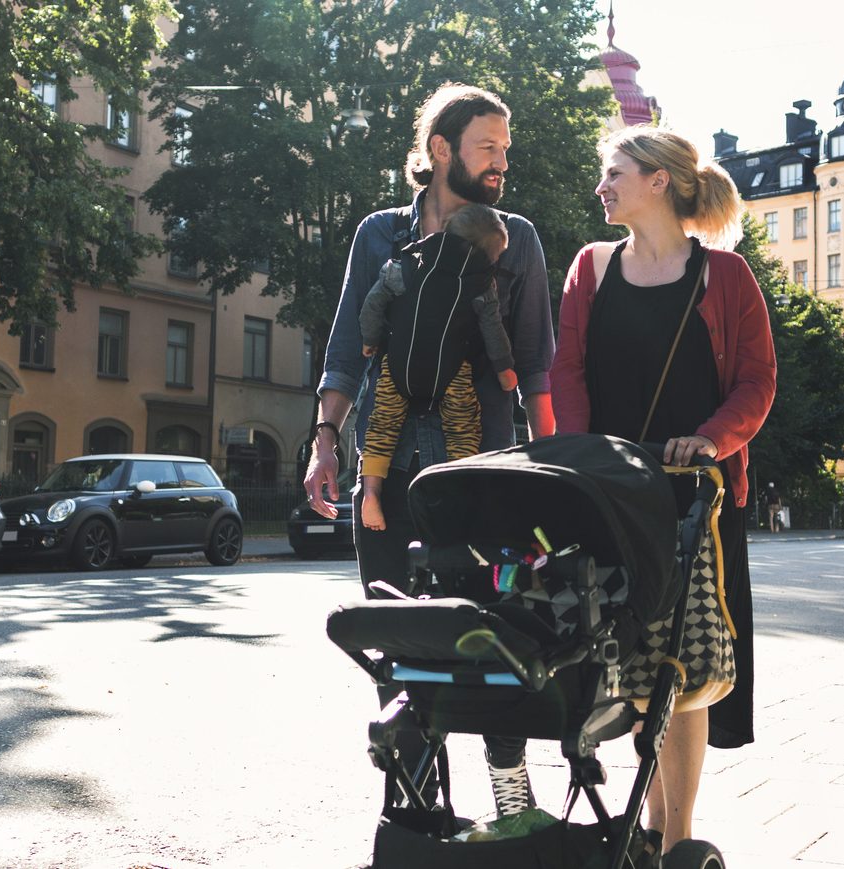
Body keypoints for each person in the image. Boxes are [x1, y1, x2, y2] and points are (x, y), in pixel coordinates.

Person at [303, 83, 557, 819]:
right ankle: (414, 803)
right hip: (385, 468)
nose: (501, 162)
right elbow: (348, 345)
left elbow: (535, 360)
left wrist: (549, 461)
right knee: (395, 634)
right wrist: (324, 439)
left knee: (491, 632)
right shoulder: (378, 235)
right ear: (441, 150)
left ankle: (510, 796)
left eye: (505, 149)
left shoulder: (519, 239)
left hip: (482, 475)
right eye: (488, 147)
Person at [548, 126, 776, 851]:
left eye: (613, 171)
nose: (600, 185)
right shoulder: (589, 267)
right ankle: (646, 829)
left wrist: (711, 437)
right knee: (622, 659)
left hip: (695, 499)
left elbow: (755, 381)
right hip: (610, 493)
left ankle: (675, 836)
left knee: (684, 660)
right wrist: (584, 459)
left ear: (657, 180)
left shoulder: (727, 277)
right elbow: (568, 374)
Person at [356, 204, 519, 531]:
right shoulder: (481, 283)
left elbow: (373, 303)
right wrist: (505, 370)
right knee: (463, 426)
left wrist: (370, 340)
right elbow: (492, 330)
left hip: (397, 365)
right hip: (452, 370)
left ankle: (371, 492)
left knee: (382, 426)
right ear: (485, 254)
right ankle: (459, 487)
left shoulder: (406, 263)